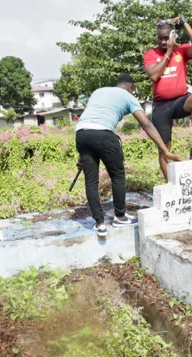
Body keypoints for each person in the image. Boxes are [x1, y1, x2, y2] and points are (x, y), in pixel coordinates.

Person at [75, 74, 179, 237]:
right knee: (117, 175)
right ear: (131, 88)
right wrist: (164, 150)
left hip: (81, 133)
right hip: (104, 134)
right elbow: (146, 124)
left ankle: (99, 224)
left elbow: (89, 120)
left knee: (91, 180)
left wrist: (80, 156)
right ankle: (120, 217)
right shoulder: (128, 97)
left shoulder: (98, 91)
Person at [143, 15, 192, 181]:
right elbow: (154, 75)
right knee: (164, 148)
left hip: (180, 101)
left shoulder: (182, 50)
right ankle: (170, 184)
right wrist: (168, 52)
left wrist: (185, 24)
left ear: (173, 36)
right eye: (160, 38)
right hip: (161, 106)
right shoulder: (151, 54)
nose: (163, 41)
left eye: (167, 38)